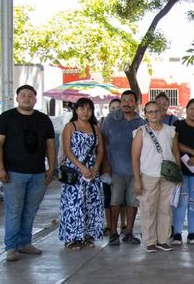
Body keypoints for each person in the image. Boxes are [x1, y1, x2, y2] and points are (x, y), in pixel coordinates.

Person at [0, 84, 57, 262]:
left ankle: (24, 242)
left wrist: (51, 168)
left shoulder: (43, 120)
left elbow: (50, 146)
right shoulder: (6, 118)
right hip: (13, 173)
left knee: (30, 210)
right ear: (17, 98)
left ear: (35, 99)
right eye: (23, 95)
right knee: (14, 210)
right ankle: (11, 247)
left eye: (30, 95)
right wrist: (0, 169)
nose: (27, 98)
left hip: (38, 174)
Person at [132, 101, 181, 252]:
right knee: (148, 209)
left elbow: (176, 152)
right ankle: (150, 241)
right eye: (150, 112)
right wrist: (138, 181)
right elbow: (134, 157)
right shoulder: (141, 132)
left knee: (165, 209)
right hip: (148, 175)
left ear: (161, 113)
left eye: (156, 111)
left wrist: (178, 174)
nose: (154, 114)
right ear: (145, 114)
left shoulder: (170, 131)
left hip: (168, 176)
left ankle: (163, 240)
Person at [101, 90, 146, 246]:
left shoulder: (141, 123)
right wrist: (106, 168)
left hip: (135, 171)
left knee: (133, 203)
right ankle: (113, 233)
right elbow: (103, 144)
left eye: (130, 100)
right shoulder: (110, 120)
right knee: (115, 202)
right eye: (124, 100)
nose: (126, 103)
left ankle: (129, 233)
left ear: (135, 103)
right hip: (115, 170)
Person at [59, 97, 105, 250]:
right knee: (73, 204)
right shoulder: (70, 126)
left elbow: (100, 150)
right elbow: (68, 150)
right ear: (76, 110)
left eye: (89, 109)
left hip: (92, 172)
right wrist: (81, 168)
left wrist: (96, 166)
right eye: (82, 108)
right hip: (74, 171)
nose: (85, 111)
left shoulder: (95, 128)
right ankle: (72, 238)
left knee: (90, 204)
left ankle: (87, 235)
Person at [171, 98, 194, 245]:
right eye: (192, 108)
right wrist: (193, 152)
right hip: (181, 170)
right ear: (186, 109)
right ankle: (177, 233)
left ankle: (192, 234)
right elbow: (174, 144)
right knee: (181, 201)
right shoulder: (178, 125)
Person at [100, 98, 126, 236]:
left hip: (123, 167)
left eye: (118, 107)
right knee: (108, 198)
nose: (116, 110)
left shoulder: (126, 123)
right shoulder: (104, 123)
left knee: (122, 199)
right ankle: (110, 226)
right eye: (113, 107)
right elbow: (101, 146)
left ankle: (124, 224)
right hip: (107, 166)